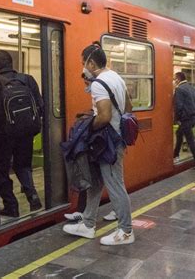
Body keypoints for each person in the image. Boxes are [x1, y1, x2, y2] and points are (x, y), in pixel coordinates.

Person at [63, 42, 135, 245]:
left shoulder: (98, 83)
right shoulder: (116, 77)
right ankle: (87, 224)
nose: (83, 67)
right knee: (95, 182)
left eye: (83, 63)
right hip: (114, 138)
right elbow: (128, 106)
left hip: (108, 142)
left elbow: (103, 116)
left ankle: (126, 231)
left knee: (115, 184)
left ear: (92, 63)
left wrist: (88, 127)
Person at [0, 50, 43, 218]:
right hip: (26, 133)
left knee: (1, 171)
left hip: (4, 135)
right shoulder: (27, 79)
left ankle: (11, 206)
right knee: (23, 166)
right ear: (11, 64)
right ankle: (33, 197)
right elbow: (40, 106)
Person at [173, 72, 195, 171]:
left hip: (185, 118)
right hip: (192, 117)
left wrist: (177, 119)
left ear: (178, 79)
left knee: (191, 140)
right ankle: (176, 155)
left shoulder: (179, 89)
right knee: (179, 134)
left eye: (175, 79)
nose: (174, 81)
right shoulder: (191, 87)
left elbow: (179, 106)